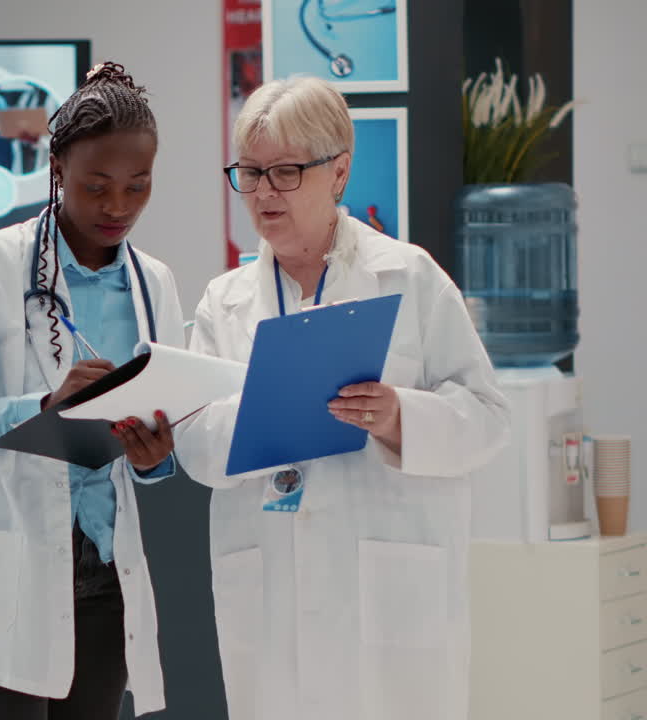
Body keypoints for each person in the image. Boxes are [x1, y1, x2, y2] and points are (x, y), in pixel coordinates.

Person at [172, 75, 509, 720]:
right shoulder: (225, 301)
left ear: (340, 173)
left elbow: (488, 418)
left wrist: (397, 417)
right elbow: (196, 441)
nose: (264, 191)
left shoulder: (408, 277)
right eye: (250, 172)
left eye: (286, 171)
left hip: (386, 593)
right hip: (270, 588)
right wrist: (264, 417)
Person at [0, 63, 183, 719]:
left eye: (138, 187)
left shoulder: (154, 283)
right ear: (56, 169)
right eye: (96, 186)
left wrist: (155, 456)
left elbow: (162, 441)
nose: (117, 207)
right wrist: (43, 409)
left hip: (104, 577)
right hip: (7, 571)